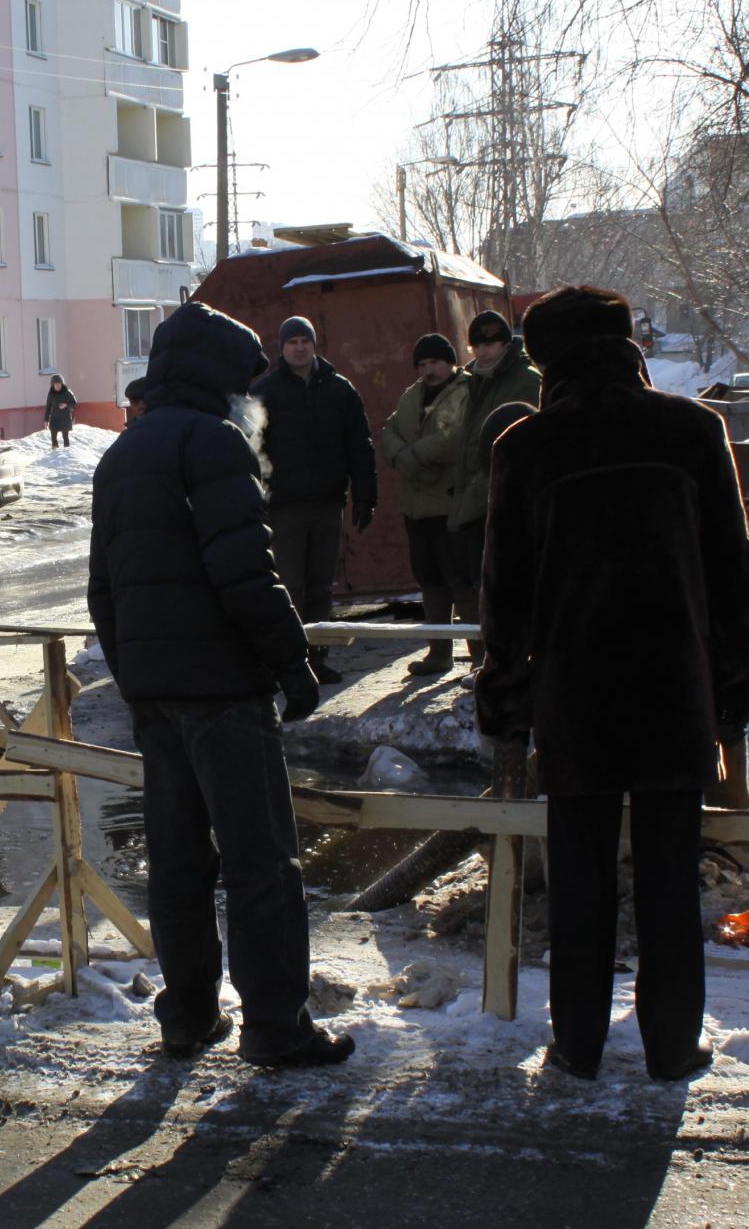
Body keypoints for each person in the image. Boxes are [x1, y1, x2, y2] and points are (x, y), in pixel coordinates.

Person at [475, 285, 749, 1083]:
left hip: (576, 698)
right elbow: (735, 578)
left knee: (581, 878)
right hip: (676, 692)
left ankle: (578, 1044)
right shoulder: (694, 430)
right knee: (671, 879)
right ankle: (673, 1047)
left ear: (543, 359)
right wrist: (736, 685)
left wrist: (504, 702)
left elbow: (504, 599)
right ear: (627, 342)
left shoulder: (526, 449)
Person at [89, 301, 353, 1070]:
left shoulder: (123, 454)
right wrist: (291, 664)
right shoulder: (216, 442)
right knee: (261, 863)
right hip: (224, 692)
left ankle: (189, 1016)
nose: (252, 394)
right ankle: (275, 1026)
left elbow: (103, 590)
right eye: (244, 379)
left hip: (155, 695)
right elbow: (246, 573)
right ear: (217, 376)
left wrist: (136, 671)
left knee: (176, 863)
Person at [249, 316, 378, 684]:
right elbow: (250, 448)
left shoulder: (340, 390)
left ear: (315, 344)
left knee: (321, 585)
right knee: (289, 585)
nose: (300, 347)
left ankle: (317, 658)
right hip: (284, 507)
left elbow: (360, 445)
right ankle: (289, 662)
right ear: (282, 348)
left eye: (306, 340)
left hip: (327, 503)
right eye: (293, 342)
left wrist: (366, 495)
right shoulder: (266, 392)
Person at [447, 310, 541, 668]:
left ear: (506, 343)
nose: (484, 351)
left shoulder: (523, 380)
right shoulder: (477, 380)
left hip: (503, 496)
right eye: (477, 344)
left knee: (503, 586)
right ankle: (487, 661)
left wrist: (486, 485)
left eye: (492, 343)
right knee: (479, 584)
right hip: (475, 495)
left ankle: (505, 662)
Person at [379, 333, 471, 676]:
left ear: (449, 362)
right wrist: (399, 455)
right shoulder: (412, 395)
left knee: (461, 582)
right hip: (416, 506)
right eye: (422, 364)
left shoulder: (465, 392)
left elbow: (455, 438)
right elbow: (389, 429)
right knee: (430, 580)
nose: (428, 369)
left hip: (450, 504)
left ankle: (479, 656)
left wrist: (413, 455)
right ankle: (439, 653)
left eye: (434, 362)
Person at [44, 375, 78, 449]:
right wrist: (46, 420)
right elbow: (48, 408)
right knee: (53, 436)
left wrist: (66, 405)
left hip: (65, 418)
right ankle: (54, 451)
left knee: (65, 437)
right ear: (53, 384)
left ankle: (66, 453)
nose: (57, 386)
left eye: (59, 384)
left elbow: (74, 403)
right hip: (54, 418)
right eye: (55, 384)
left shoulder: (67, 392)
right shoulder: (51, 394)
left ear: (62, 384)